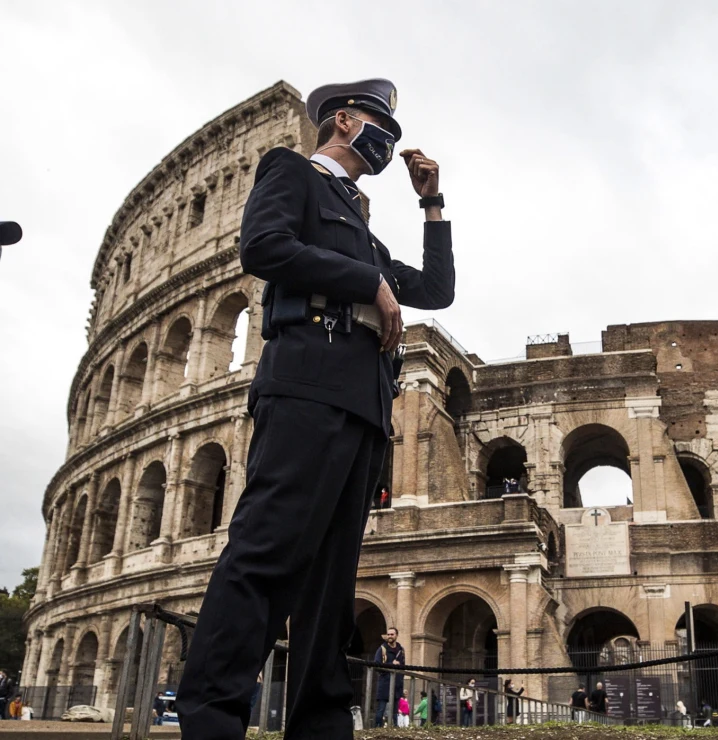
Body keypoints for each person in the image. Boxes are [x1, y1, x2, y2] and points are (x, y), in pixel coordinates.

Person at [176, 77, 454, 740]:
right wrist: (366, 282)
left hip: (363, 403)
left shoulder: (364, 231)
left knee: (333, 585)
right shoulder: (292, 172)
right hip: (306, 383)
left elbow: (437, 290)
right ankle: (211, 722)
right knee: (265, 554)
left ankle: (321, 728)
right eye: (382, 123)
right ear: (346, 121)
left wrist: (432, 204)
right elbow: (263, 247)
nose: (390, 138)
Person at [372, 628, 406, 727]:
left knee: (395, 710)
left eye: (392, 634)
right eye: (388, 634)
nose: (390, 636)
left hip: (397, 683)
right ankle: (377, 728)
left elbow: (403, 666)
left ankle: (395, 728)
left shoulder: (401, 650)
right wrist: (391, 664)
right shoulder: (382, 649)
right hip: (385, 682)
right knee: (381, 709)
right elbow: (376, 665)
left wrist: (400, 678)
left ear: (396, 635)